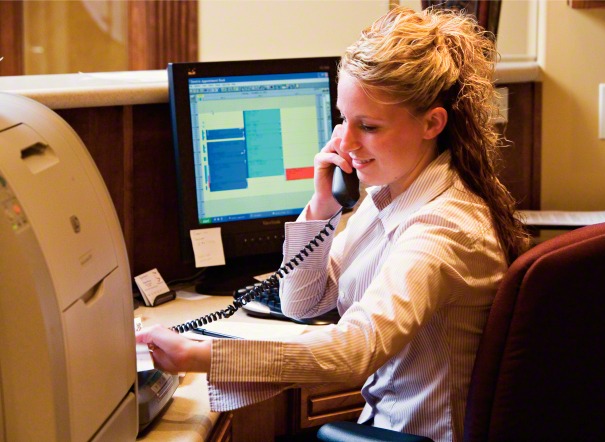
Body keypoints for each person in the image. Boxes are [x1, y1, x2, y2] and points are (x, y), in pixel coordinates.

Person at [136, 6, 529, 441]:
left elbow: (355, 350)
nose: (346, 141)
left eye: (369, 126)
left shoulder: (442, 228)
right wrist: (323, 204)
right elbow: (303, 303)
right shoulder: (390, 195)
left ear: (432, 123)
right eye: (343, 119)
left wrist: (200, 354)